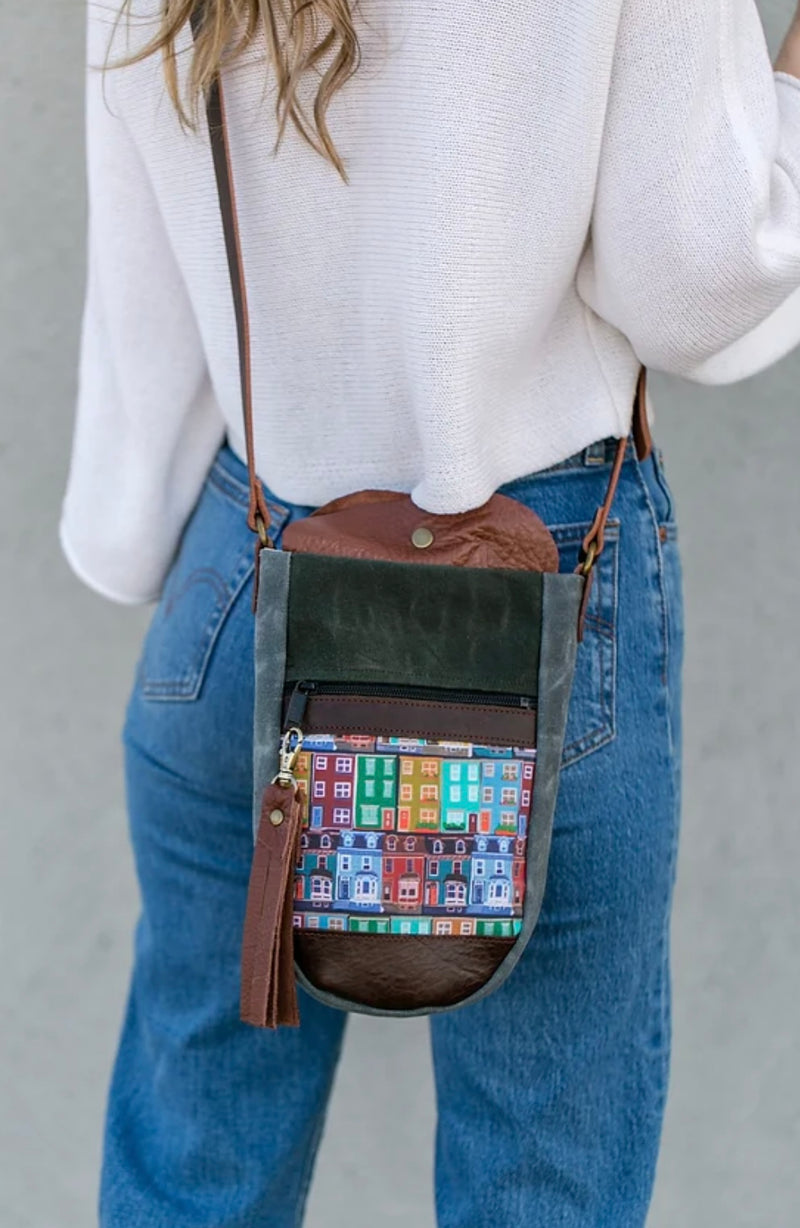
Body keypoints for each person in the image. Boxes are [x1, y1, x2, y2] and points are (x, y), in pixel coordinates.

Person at [60, 1, 800, 1224]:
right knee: (537, 1177)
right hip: (526, 610)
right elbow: (695, 282)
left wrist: (131, 532)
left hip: (251, 567)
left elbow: (146, 261)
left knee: (193, 1171)